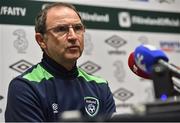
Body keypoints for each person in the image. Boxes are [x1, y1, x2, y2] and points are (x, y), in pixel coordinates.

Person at [5, 2, 116, 122]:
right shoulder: (26, 87)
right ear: (41, 40)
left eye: (78, 28)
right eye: (61, 29)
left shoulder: (100, 86)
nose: (73, 36)